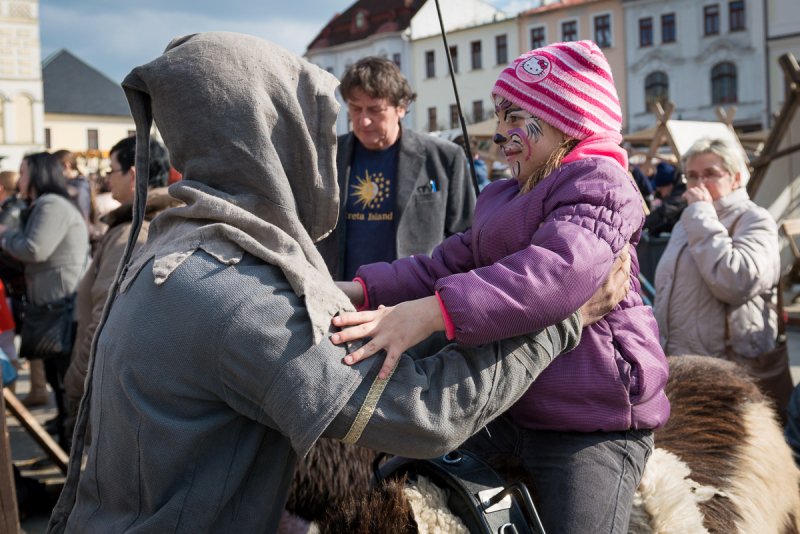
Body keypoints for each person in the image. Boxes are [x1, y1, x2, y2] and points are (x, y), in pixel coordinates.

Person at [46, 33, 629, 534]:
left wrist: (353, 292)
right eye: (318, 131)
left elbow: (533, 265)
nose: (329, 148)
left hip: (584, 412)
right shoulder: (236, 293)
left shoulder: (176, 247)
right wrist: (565, 321)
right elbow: (421, 412)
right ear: (273, 140)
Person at [332, 41, 670, 533]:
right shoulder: (504, 196)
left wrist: (431, 313)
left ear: (567, 120)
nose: (500, 134)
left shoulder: (601, 185)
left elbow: (555, 274)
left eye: (515, 118)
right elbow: (443, 263)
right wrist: (356, 289)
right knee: (396, 482)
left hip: (591, 420)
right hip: (512, 407)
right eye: (499, 117)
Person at [316, 56, 475, 281]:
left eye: (375, 110)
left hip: (415, 294)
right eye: (355, 109)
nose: (363, 120)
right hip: (341, 293)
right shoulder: (327, 156)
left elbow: (465, 237)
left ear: (401, 108)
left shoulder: (444, 158)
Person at [62, 135, 177, 443]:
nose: (108, 178)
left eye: (112, 170)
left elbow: (105, 317)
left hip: (111, 388)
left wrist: (77, 381)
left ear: (133, 174)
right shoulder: (154, 221)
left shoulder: (131, 233)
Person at [654, 138, 782, 401]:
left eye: (710, 174)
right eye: (692, 176)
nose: (699, 183)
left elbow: (737, 281)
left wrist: (701, 214)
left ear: (736, 178)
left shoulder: (754, 218)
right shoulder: (687, 221)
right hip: (680, 366)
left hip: (726, 371)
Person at [0, 152, 89, 447]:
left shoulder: (52, 205)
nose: (19, 180)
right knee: (55, 377)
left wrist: (5, 235)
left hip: (62, 307)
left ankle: (69, 447)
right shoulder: (46, 204)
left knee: (64, 381)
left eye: (23, 172)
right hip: (54, 305)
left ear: (37, 174)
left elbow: (34, 249)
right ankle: (64, 437)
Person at [644, 161, 687, 236]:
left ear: (669, 185)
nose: (662, 194)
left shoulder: (682, 193)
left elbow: (664, 212)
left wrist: (641, 224)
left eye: (661, 190)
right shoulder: (678, 189)